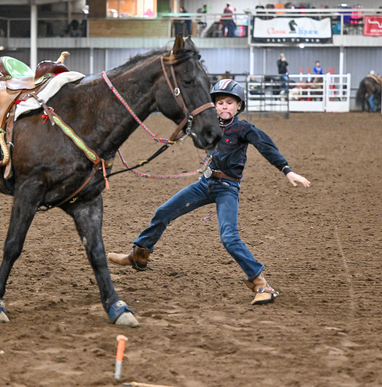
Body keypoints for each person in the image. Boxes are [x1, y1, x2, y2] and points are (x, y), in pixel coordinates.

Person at [107, 79, 311, 306]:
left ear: (239, 106)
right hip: (205, 184)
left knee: (229, 237)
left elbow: (267, 147)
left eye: (229, 103)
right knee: (163, 212)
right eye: (220, 102)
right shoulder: (209, 125)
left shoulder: (244, 129)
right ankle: (139, 255)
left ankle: (261, 283)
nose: (224, 106)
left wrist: (287, 171)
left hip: (227, 189)